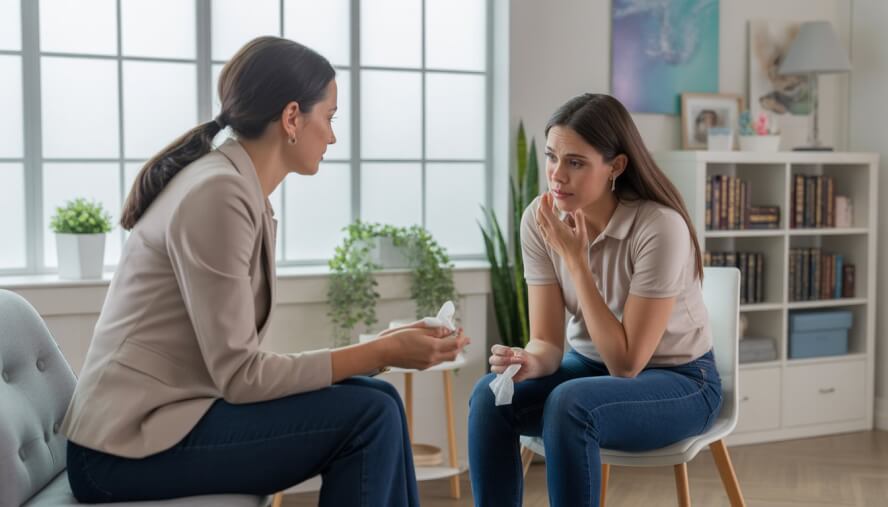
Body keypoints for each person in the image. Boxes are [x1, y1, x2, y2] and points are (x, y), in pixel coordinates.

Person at [61, 36, 468, 507]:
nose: (333, 136)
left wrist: (382, 352)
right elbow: (241, 375)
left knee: (381, 402)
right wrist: (382, 349)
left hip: (162, 425)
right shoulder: (218, 194)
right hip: (119, 452)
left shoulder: (232, 187)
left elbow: (237, 367)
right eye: (330, 117)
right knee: (369, 414)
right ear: (292, 117)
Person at [467, 93, 722, 507]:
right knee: (491, 394)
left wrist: (576, 261)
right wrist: (530, 360)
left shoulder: (659, 227)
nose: (556, 175)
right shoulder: (539, 218)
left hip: (682, 381)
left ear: (616, 167)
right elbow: (548, 343)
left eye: (576, 162)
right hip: (586, 367)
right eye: (551, 156)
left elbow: (626, 363)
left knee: (571, 405)